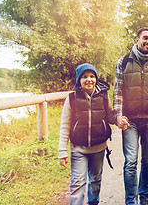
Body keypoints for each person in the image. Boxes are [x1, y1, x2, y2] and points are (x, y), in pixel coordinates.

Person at [113, 27, 148, 205]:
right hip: (129, 121)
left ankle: (144, 197)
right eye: (145, 38)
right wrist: (118, 115)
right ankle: (131, 200)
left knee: (147, 161)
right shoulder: (123, 62)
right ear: (137, 40)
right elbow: (117, 92)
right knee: (130, 162)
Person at [58, 63, 122, 205]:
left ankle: (93, 203)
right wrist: (62, 151)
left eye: (92, 76)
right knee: (78, 183)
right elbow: (65, 125)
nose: (89, 80)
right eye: (84, 77)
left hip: (98, 148)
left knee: (96, 180)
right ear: (79, 80)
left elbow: (110, 116)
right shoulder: (71, 99)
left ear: (96, 79)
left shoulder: (104, 96)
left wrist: (119, 120)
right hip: (78, 149)